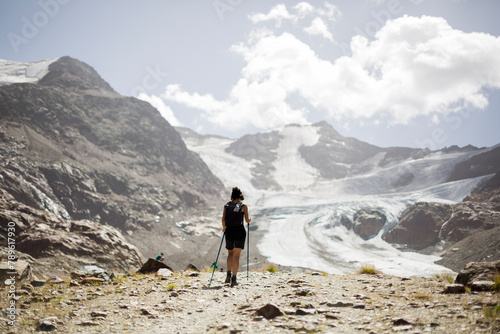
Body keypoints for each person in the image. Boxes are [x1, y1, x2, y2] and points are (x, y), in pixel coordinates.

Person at [222, 187, 251, 287]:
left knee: (230, 253)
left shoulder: (227, 205)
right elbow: (247, 220)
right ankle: (234, 278)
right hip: (239, 231)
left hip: (229, 231)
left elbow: (223, 220)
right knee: (237, 255)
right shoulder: (243, 206)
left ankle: (228, 274)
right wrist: (249, 220)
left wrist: (224, 229)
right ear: (240, 196)